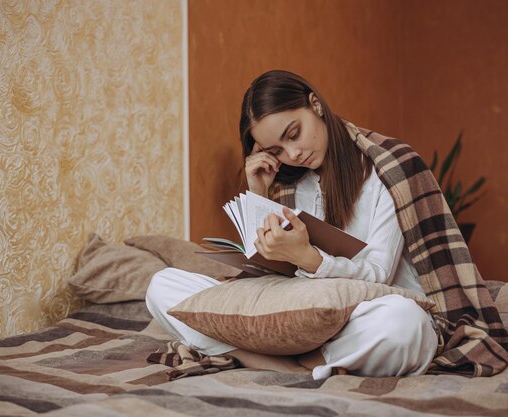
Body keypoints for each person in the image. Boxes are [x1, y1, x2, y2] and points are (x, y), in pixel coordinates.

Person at [146, 69, 440, 379]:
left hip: (364, 312)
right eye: (276, 151)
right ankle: (278, 360)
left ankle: (292, 358)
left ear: (315, 105)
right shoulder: (289, 181)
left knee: (406, 325)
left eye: (293, 133)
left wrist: (309, 258)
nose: (293, 154)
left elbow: (380, 274)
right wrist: (258, 191)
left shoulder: (385, 168)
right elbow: (263, 273)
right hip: (296, 313)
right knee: (162, 286)